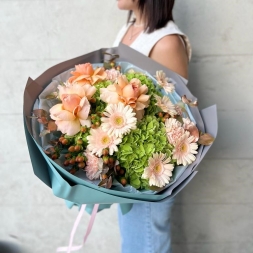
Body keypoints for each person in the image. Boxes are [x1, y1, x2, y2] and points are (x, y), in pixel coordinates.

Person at [113, 1, 192, 253]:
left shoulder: (166, 41)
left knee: (146, 245)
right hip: (126, 166)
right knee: (134, 244)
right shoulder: (129, 28)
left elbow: (178, 117)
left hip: (150, 172)